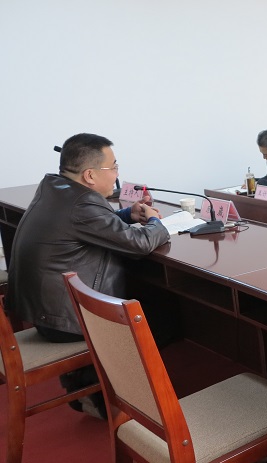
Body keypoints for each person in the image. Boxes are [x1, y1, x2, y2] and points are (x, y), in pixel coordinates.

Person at [7, 133, 171, 418]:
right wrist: (156, 221)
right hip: (63, 321)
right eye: (114, 167)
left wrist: (127, 215)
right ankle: (106, 397)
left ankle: (87, 387)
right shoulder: (83, 203)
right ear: (90, 175)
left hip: (42, 309)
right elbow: (140, 244)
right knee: (159, 317)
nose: (117, 174)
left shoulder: (57, 189)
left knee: (148, 304)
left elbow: (88, 225)